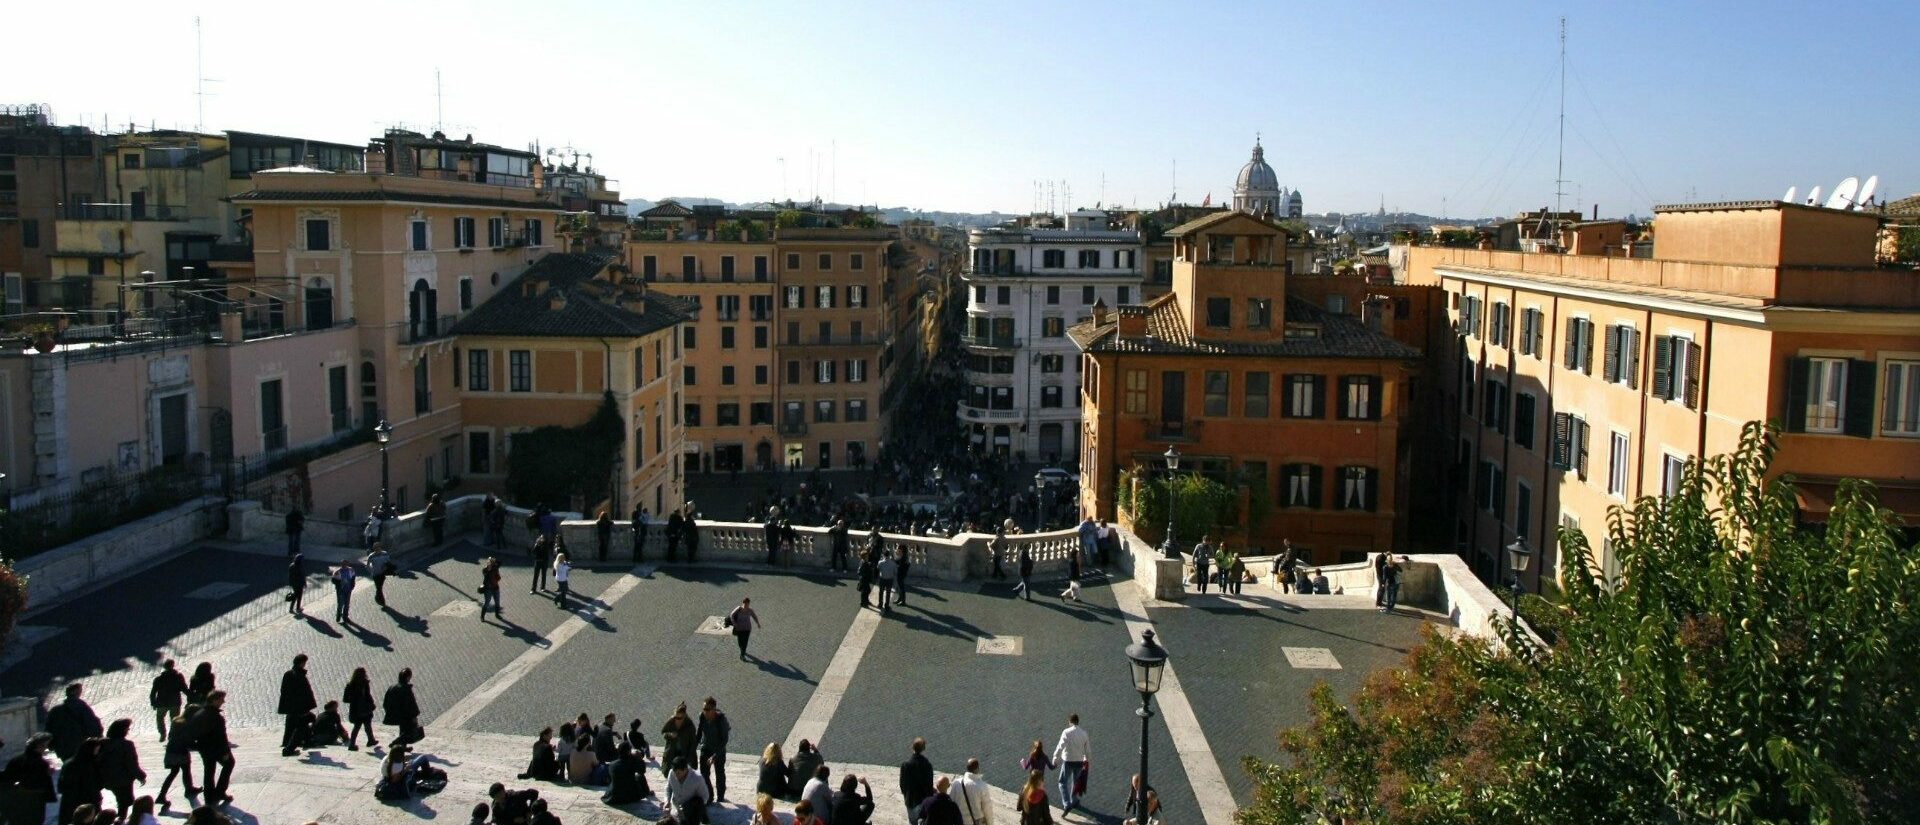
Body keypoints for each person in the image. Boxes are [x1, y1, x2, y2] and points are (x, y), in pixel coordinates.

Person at [2, 733, 57, 825]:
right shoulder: (41, 764)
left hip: (16, 804)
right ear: (38, 747)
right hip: (35, 803)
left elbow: (6, 781)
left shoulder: (15, 760)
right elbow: (44, 784)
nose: (45, 749)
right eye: (44, 746)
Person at [193, 691, 233, 807]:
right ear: (214, 700)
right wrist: (225, 752)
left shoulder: (200, 713)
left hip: (204, 748)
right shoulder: (216, 717)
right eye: (221, 700)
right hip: (216, 748)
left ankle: (209, 797)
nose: (223, 702)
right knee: (229, 763)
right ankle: (219, 792)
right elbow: (221, 736)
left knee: (209, 771)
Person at [156, 707, 201, 809]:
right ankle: (186, 790)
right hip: (180, 751)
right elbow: (188, 740)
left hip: (172, 750)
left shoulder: (177, 720)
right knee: (182, 771)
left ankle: (164, 794)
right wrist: (200, 746)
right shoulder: (187, 725)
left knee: (177, 772)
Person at [46, 682, 104, 761]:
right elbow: (92, 724)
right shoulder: (82, 708)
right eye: (80, 690)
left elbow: (49, 729)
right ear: (76, 692)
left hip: (62, 748)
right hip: (79, 746)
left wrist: (51, 745)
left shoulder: (56, 710)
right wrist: (99, 737)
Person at [99, 720, 146, 816]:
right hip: (123, 779)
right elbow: (131, 764)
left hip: (106, 778)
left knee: (122, 801)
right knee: (125, 803)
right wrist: (141, 776)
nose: (128, 731)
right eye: (127, 729)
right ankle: (120, 820)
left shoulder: (102, 743)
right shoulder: (127, 745)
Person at [277, 654, 317, 756]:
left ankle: (292, 744)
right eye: (304, 662)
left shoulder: (289, 674)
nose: (305, 665)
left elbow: (284, 691)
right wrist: (306, 706)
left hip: (292, 707)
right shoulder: (298, 675)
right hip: (299, 707)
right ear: (301, 663)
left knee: (291, 726)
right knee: (300, 727)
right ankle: (289, 749)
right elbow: (303, 693)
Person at [1051, 714, 1089, 815]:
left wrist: (1055, 757)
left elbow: (1060, 746)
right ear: (1078, 721)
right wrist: (1087, 760)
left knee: (1062, 782)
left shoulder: (1066, 732)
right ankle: (1075, 801)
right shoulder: (1084, 734)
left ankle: (1067, 803)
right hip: (1079, 762)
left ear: (1070, 722)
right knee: (1076, 782)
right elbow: (1087, 750)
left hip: (1068, 761)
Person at [57, 744, 104, 825]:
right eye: (96, 750)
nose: (97, 752)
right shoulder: (90, 764)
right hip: (87, 799)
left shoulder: (69, 763)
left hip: (70, 800)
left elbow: (61, 784)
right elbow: (94, 783)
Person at [695, 698, 731, 799]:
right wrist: (692, 748)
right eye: (703, 709)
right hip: (706, 747)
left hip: (718, 750)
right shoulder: (702, 716)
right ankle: (709, 795)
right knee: (704, 773)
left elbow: (724, 740)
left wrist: (715, 756)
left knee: (719, 773)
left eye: (707, 709)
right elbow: (698, 734)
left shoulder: (721, 720)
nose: (704, 711)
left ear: (714, 709)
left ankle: (720, 796)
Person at [383, 669, 422, 747]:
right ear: (407, 677)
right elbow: (411, 704)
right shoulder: (406, 689)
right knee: (407, 732)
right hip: (406, 715)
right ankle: (395, 743)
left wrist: (389, 711)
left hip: (396, 714)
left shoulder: (392, 687)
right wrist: (415, 715)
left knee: (403, 731)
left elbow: (385, 702)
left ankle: (402, 748)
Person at [664, 759, 711, 825]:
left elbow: (705, 797)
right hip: (677, 810)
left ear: (685, 769)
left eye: (678, 773)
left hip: (692, 813)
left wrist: (688, 806)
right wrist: (667, 800)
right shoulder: (671, 772)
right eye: (675, 773)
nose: (676, 776)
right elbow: (668, 788)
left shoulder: (697, 778)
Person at [149, 661, 187, 742]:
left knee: (160, 718)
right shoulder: (178, 677)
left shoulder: (159, 679)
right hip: (175, 702)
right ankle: (172, 735)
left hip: (161, 703)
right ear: (173, 666)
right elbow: (184, 688)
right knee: (175, 719)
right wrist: (191, 696)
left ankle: (162, 733)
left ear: (164, 667)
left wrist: (153, 702)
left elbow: (153, 692)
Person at [899, 737, 934, 825]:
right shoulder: (927, 764)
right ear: (923, 749)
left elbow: (902, 784)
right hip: (923, 800)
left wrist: (905, 794)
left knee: (912, 821)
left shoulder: (906, 764)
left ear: (912, 747)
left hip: (910, 799)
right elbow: (930, 784)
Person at [343, 667, 378, 750]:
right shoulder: (364, 683)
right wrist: (371, 703)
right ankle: (367, 741)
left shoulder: (350, 685)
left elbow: (345, 699)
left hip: (356, 709)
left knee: (359, 726)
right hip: (364, 708)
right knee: (366, 725)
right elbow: (368, 695)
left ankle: (369, 740)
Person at [659, 704, 697, 780]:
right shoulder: (671, 721)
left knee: (685, 777)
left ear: (684, 716)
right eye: (675, 717)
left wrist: (690, 759)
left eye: (679, 718)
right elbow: (663, 733)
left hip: (685, 754)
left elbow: (693, 743)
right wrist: (670, 735)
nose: (677, 719)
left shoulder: (689, 725)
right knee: (670, 776)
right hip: (671, 753)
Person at [954, 759, 992, 825]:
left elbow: (952, 802)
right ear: (978, 768)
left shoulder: (956, 783)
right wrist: (990, 823)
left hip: (959, 821)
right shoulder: (982, 786)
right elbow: (987, 809)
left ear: (967, 768)